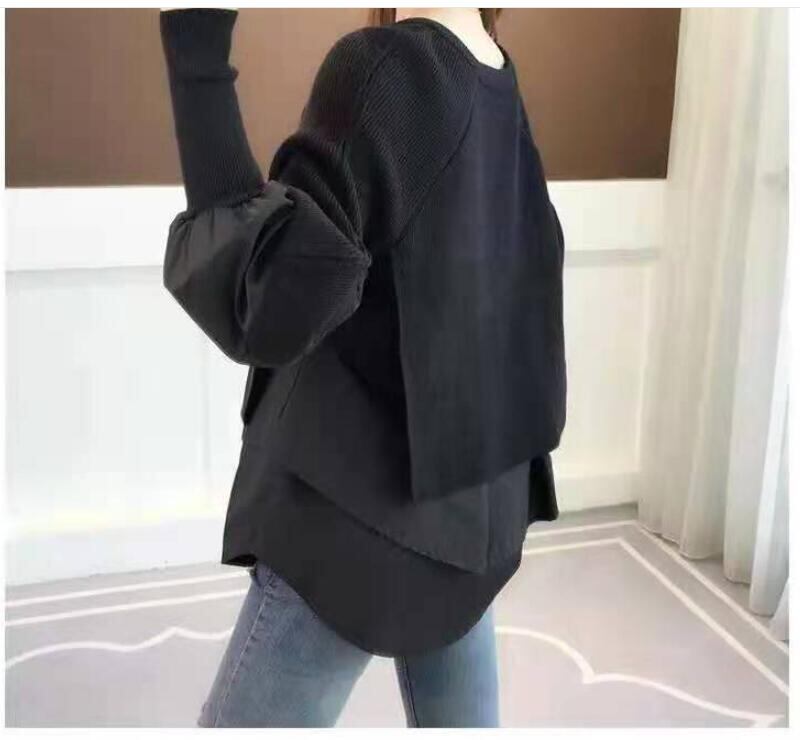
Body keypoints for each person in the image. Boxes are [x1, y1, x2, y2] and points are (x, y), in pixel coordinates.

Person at [159, 5, 566, 728]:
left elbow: (267, 297)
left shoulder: (385, 70)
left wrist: (195, 40)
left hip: (356, 517)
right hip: (465, 509)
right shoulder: (493, 71)